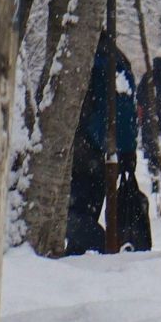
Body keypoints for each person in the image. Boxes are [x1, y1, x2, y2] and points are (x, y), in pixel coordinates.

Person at [64, 31, 144, 255]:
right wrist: (127, 152)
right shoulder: (115, 60)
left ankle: (104, 251)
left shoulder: (94, 60)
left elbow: (116, 111)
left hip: (86, 152)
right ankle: (86, 256)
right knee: (81, 214)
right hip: (96, 152)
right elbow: (126, 113)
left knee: (73, 216)